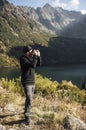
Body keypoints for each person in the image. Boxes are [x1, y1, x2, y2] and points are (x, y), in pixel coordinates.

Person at [20, 45, 41, 125]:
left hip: (32, 81)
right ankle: (27, 117)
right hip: (26, 81)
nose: (32, 52)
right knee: (29, 98)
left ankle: (27, 112)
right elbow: (33, 65)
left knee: (30, 99)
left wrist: (38, 56)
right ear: (27, 52)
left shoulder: (31, 57)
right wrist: (35, 56)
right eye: (30, 51)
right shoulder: (23, 59)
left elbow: (38, 64)